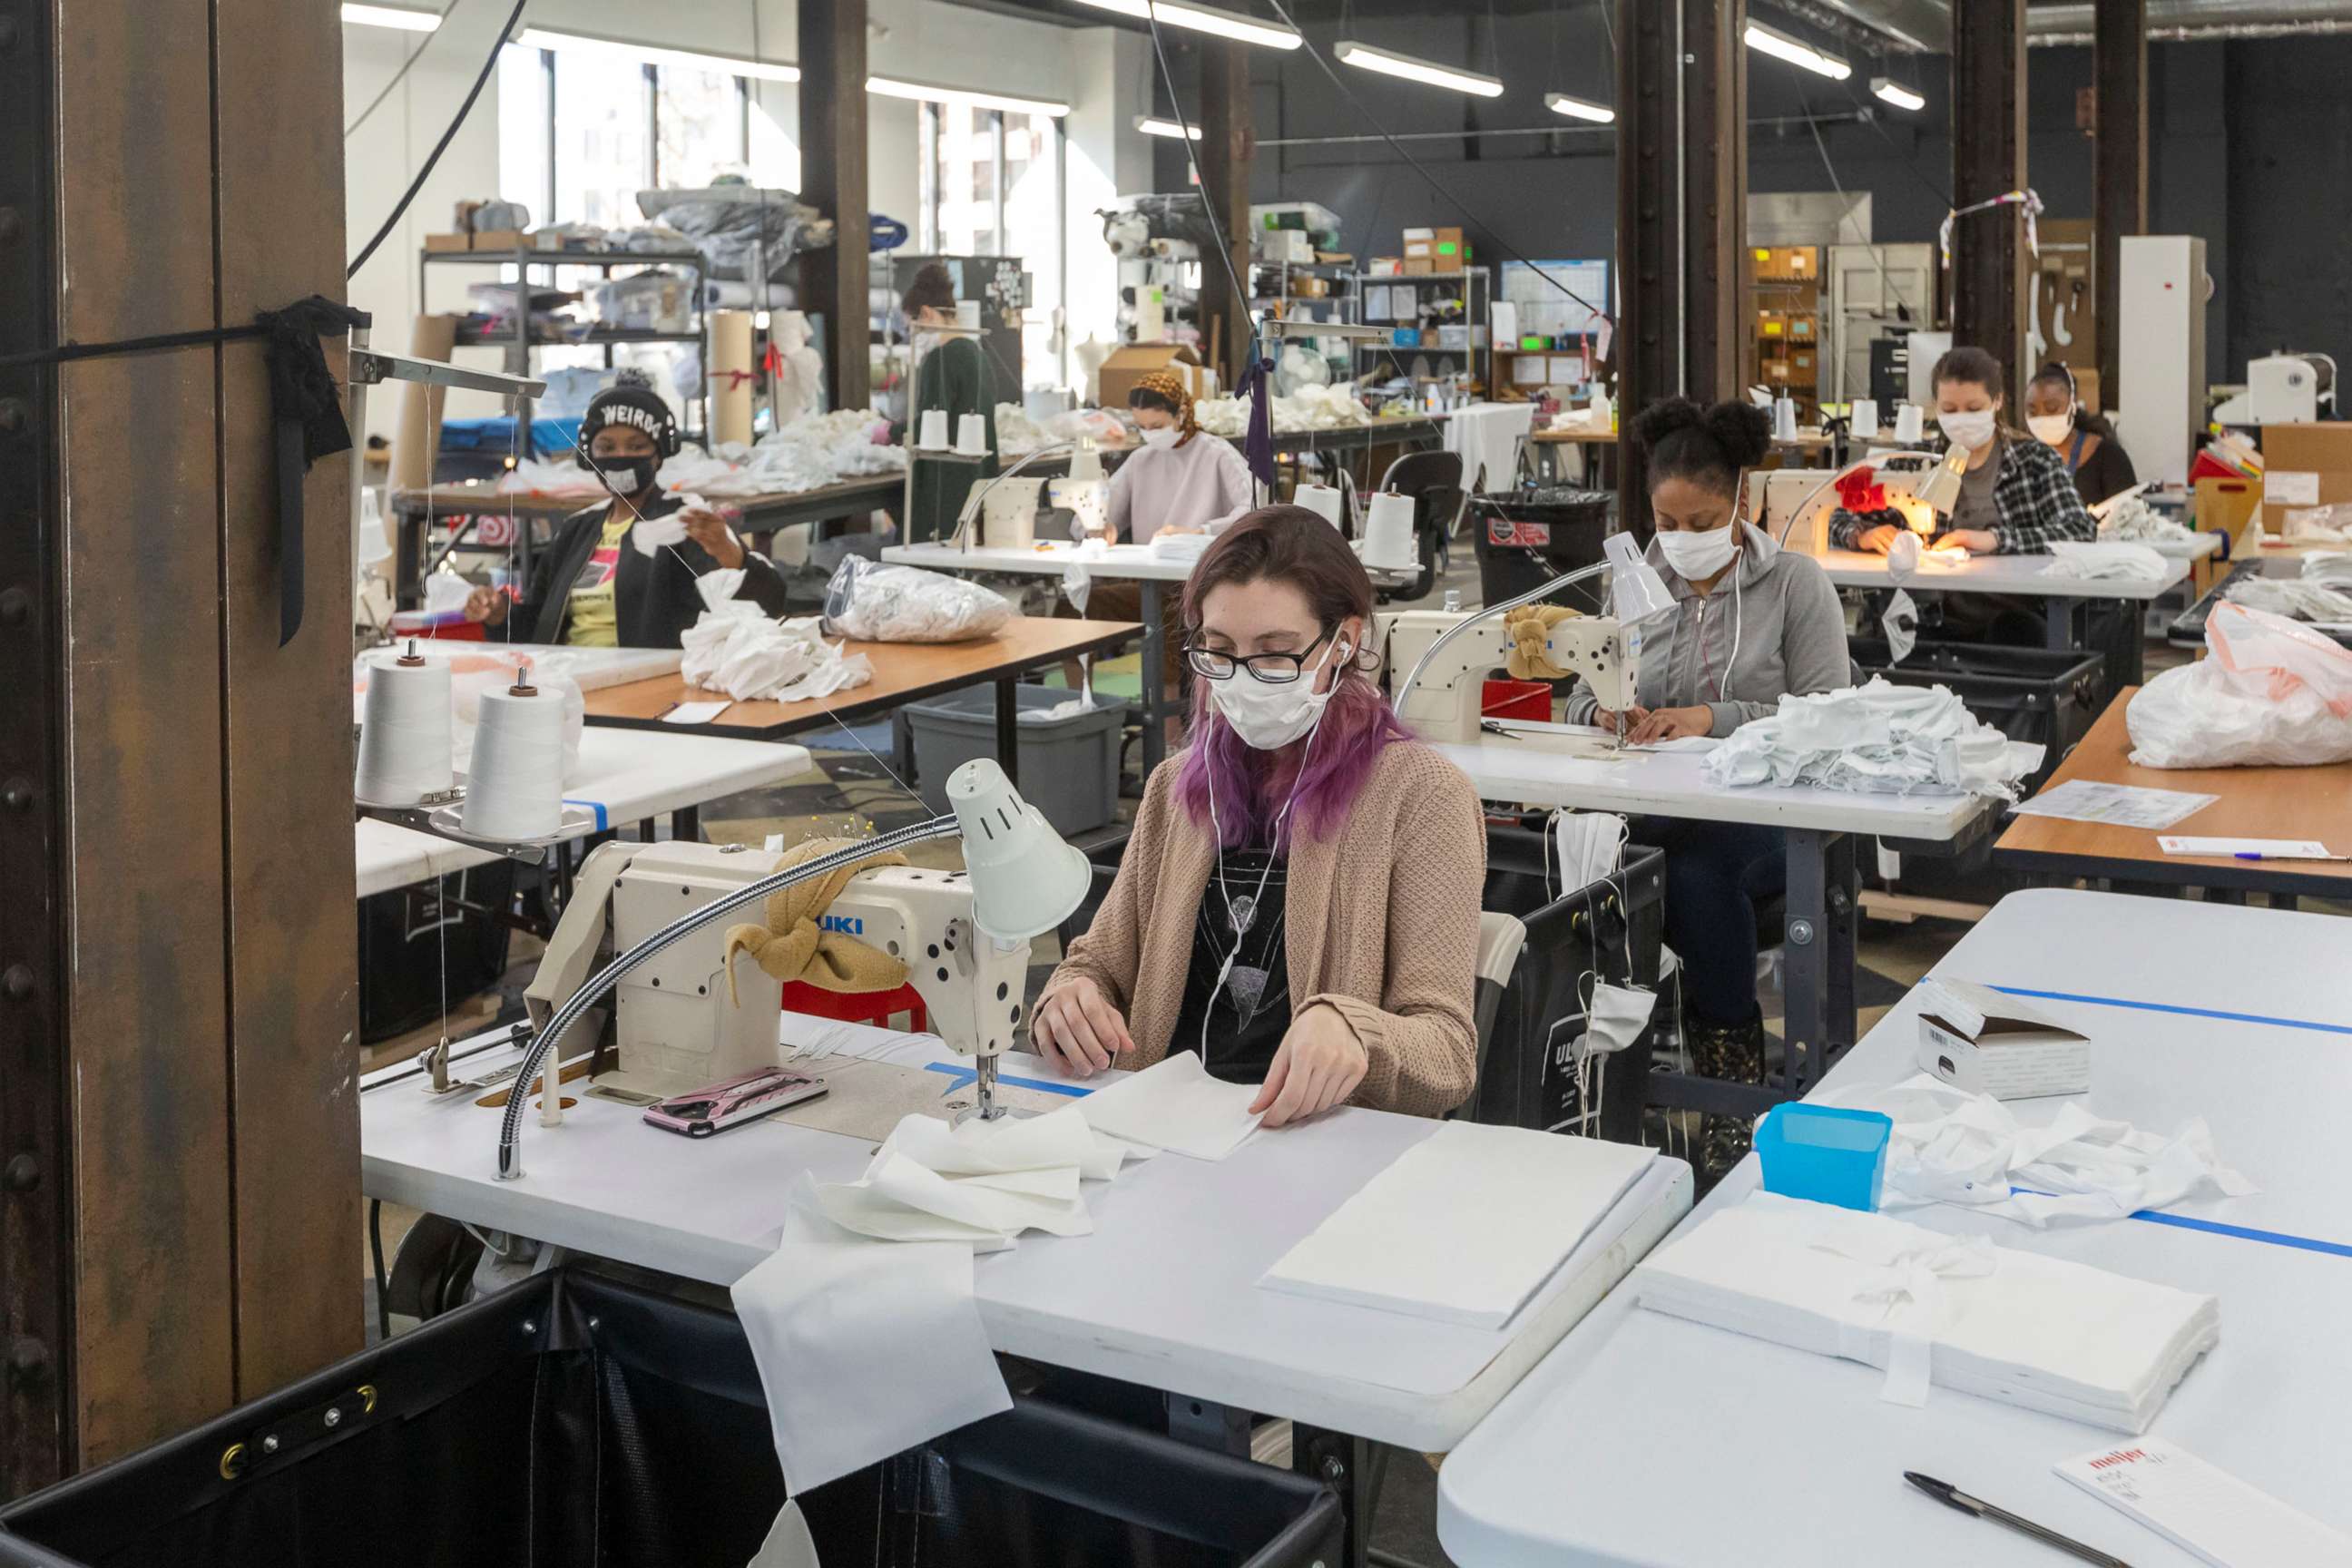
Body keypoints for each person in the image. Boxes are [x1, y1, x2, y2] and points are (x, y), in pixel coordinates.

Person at [1034, 507, 1485, 1125]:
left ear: (1345, 643)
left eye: (1275, 655)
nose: (1242, 680)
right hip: (1165, 1130)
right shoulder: (1179, 791)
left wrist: (1355, 1031)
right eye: (1218, 652)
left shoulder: (1421, 798)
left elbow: (1448, 1054)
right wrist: (1069, 997)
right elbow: (1098, 965)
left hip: (1317, 1147)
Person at [1563, 397, 1851, 1181]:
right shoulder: (1634, 583)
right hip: (1657, 802)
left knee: (1689, 877)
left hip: (1762, 816)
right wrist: (1605, 712)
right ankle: (1596, 1067)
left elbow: (1826, 716)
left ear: (1744, 504)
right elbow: (1578, 693)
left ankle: (1729, 1094)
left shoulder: (1795, 586)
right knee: (1592, 859)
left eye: (1702, 520)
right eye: (1667, 521)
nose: (1681, 539)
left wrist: (1708, 717)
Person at [465, 369, 790, 646]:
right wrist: (499, 613)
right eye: (606, 447)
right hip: (569, 679)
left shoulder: (684, 521)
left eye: (636, 446)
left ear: (659, 453)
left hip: (648, 684)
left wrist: (732, 557)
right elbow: (535, 626)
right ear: (588, 455)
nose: (620, 456)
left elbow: (766, 605)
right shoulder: (576, 530)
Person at [1056, 372, 1259, 741]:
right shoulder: (1142, 459)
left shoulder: (1215, 455)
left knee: (1166, 619)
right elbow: (1091, 514)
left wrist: (1200, 532)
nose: (1150, 432)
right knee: (1073, 608)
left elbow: (1252, 512)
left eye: (1157, 424)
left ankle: (1170, 743)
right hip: (1151, 582)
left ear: (1182, 413)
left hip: (1202, 589)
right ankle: (1078, 719)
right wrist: (1098, 526)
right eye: (1143, 426)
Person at [1831, 346, 2095, 556]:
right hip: (1933, 611)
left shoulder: (2036, 462)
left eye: (1973, 409)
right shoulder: (1913, 462)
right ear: (1935, 405)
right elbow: (1835, 516)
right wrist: (1863, 535)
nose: (1961, 419)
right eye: (1949, 410)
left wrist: (1995, 540)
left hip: (2016, 610)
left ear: (1997, 401)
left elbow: (2079, 530)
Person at [901, 261, 1000, 544]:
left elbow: (930, 425)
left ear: (927, 314)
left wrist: (891, 433)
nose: (914, 336)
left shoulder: (940, 359)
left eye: (913, 326)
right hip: (977, 484)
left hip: (945, 489)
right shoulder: (978, 355)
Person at [2025, 361, 2138, 507]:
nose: (2042, 417)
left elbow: (2130, 520)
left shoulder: (2109, 456)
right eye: (2033, 412)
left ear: (2073, 406)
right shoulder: (2020, 461)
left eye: (2052, 408)